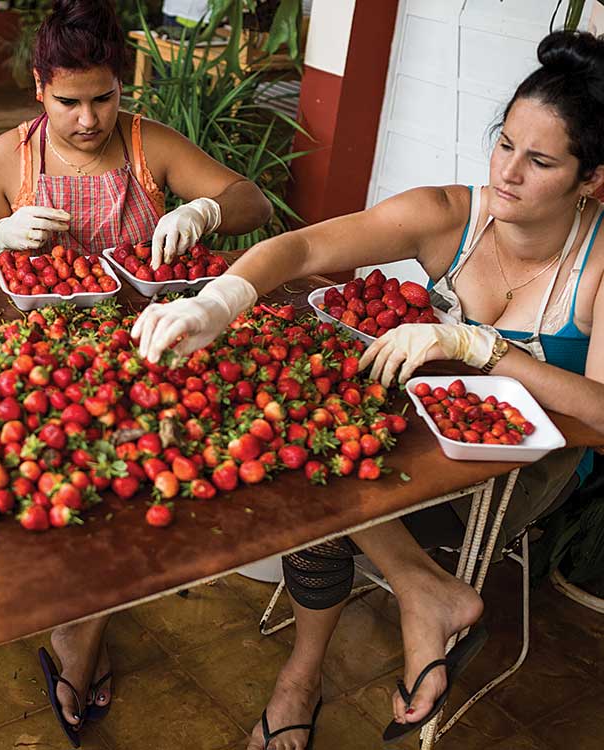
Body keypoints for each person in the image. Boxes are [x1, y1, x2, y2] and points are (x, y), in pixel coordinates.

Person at [132, 29, 604, 749]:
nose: (506, 172)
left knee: (317, 481)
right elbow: (305, 247)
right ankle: (407, 600)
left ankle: (322, 664)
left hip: (517, 474)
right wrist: (219, 301)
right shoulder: (453, 216)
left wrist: (481, 346)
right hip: (422, 434)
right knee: (310, 461)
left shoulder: (598, 263)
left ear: (591, 179)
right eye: (503, 143)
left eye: (539, 160)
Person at [0, 0, 271, 742]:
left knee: (121, 491)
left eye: (104, 97)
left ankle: (81, 634)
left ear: (123, 90)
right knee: (52, 490)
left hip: (145, 351)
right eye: (69, 101)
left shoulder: (147, 144)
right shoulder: (10, 157)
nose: (89, 119)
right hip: (39, 363)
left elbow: (247, 197)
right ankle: (77, 626)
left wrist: (204, 216)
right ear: (39, 88)